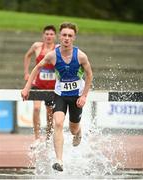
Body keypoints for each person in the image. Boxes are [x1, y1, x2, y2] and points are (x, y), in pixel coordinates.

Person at [21, 22, 93, 171]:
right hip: (60, 95)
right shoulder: (52, 55)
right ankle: (59, 161)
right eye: (64, 35)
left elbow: (90, 75)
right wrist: (27, 88)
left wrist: (84, 96)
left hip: (76, 97)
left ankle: (78, 132)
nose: (66, 38)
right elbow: (37, 68)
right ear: (60, 36)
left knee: (73, 129)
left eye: (70, 36)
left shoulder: (80, 56)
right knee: (58, 123)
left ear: (74, 38)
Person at [23, 25, 57, 140]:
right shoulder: (37, 46)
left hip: (52, 87)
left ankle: (48, 137)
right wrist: (26, 72)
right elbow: (27, 56)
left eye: (51, 34)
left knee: (50, 113)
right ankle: (37, 137)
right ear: (43, 35)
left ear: (55, 36)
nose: (49, 36)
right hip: (38, 84)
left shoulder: (58, 48)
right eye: (47, 34)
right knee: (36, 108)